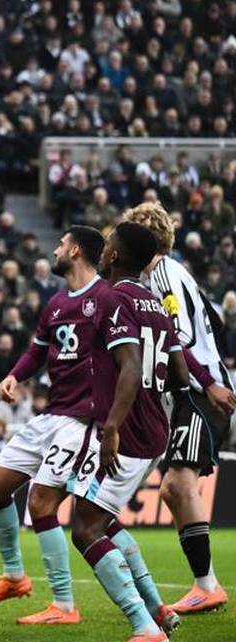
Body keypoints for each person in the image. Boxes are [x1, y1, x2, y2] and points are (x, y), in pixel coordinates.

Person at [0, 227, 108, 624]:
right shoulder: (56, 303)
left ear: (76, 250)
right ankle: (15, 577)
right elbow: (38, 350)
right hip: (52, 413)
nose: (56, 249)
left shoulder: (105, 299)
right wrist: (15, 375)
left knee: (42, 503)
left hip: (82, 419)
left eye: (61, 244)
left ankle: (64, 604)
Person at [69, 221, 190, 642]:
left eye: (108, 246)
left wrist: (113, 426)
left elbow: (131, 367)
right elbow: (179, 373)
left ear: (114, 256)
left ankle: (144, 626)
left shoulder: (115, 298)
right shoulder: (155, 302)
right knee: (102, 518)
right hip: (153, 427)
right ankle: (157, 608)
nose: (102, 252)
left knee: (84, 528)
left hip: (130, 432)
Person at [124, 202, 236, 613]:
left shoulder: (164, 275)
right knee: (175, 489)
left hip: (199, 395)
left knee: (176, 485)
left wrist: (210, 381)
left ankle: (207, 585)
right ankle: (205, 584)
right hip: (187, 396)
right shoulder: (164, 276)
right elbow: (215, 322)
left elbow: (176, 337)